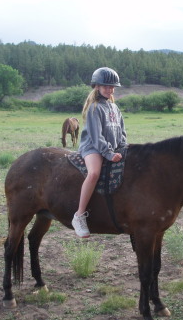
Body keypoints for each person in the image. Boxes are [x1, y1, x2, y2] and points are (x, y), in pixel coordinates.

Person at [71, 67, 128, 238]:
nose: (109, 90)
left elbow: (122, 131)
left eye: (112, 87)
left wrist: (124, 148)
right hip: (93, 147)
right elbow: (96, 137)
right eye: (106, 86)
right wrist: (109, 153)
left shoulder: (114, 108)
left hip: (112, 147)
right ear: (97, 86)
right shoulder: (94, 108)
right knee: (94, 173)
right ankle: (79, 215)